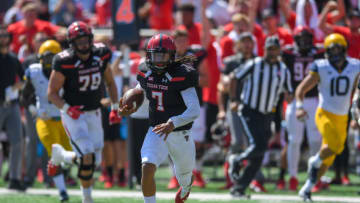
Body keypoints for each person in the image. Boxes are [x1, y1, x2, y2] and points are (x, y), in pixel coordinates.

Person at [118, 33, 200, 203]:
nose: (159, 61)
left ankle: (185, 186)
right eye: (155, 56)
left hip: (180, 131)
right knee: (147, 166)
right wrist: (129, 104)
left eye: (163, 56)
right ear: (148, 55)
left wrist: (172, 123)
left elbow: (194, 110)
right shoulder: (145, 70)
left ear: (171, 56)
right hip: (156, 128)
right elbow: (140, 88)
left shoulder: (182, 74)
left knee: (184, 175)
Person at [47, 21, 121, 203]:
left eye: (85, 39)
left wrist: (115, 107)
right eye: (78, 41)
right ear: (72, 43)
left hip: (94, 112)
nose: (83, 44)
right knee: (86, 155)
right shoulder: (64, 61)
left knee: (93, 160)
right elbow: (52, 93)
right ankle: (87, 199)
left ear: (91, 38)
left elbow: (110, 82)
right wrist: (65, 108)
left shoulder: (101, 54)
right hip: (74, 114)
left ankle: (61, 155)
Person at [296, 33, 360, 202]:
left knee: (329, 158)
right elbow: (302, 89)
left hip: (343, 116)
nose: (335, 52)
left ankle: (306, 189)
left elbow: (356, 90)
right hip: (325, 113)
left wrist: (355, 114)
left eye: (338, 48)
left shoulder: (355, 66)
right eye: (332, 49)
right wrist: (299, 107)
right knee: (333, 146)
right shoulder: (321, 66)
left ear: (344, 49)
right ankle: (313, 161)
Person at [228, 36, 293, 198]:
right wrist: (234, 99)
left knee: (259, 155)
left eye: (274, 49)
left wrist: (295, 101)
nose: (272, 52)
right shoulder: (255, 64)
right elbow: (234, 77)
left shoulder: (283, 69)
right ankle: (236, 160)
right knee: (259, 145)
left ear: (279, 50)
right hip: (250, 110)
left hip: (267, 114)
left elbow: (289, 92)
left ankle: (239, 188)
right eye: (269, 49)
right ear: (264, 49)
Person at [21, 39, 72, 201]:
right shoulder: (34, 71)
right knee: (55, 153)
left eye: (53, 58)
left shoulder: (66, 71)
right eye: (47, 58)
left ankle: (62, 180)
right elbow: (24, 96)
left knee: (69, 157)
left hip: (64, 120)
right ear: (40, 57)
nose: (50, 62)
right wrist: (31, 108)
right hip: (45, 120)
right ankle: (62, 191)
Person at [281, 26, 324, 191]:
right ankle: (292, 177)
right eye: (302, 38)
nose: (305, 42)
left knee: (315, 140)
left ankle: (314, 177)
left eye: (307, 38)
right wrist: (286, 90)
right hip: (295, 100)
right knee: (294, 141)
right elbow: (281, 72)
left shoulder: (320, 52)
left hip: (314, 99)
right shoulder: (288, 53)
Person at [217, 32, 255, 189]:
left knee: (253, 143)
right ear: (238, 44)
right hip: (235, 105)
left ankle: (252, 178)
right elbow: (222, 86)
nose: (246, 45)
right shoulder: (231, 62)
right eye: (243, 42)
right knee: (237, 142)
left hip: (253, 107)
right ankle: (230, 177)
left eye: (249, 42)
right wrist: (221, 109)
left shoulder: (258, 61)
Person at [0, 24, 25, 191]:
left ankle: (15, 178)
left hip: (12, 104)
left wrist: (16, 88)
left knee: (18, 141)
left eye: (5, 36)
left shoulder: (14, 58)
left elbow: (24, 79)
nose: (3, 39)